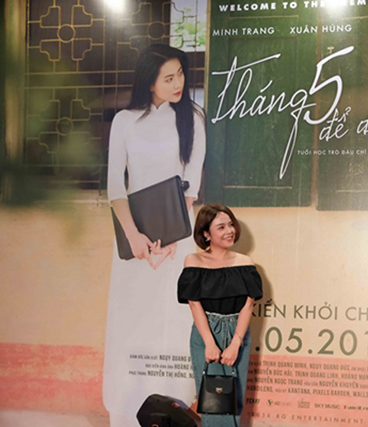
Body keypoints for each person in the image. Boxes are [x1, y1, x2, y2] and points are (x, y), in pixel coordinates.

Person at [103, 44, 206, 427]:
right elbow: (116, 186)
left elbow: (191, 184)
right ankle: (126, 410)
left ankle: (175, 411)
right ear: (150, 82)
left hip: (178, 236)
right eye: (168, 78)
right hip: (134, 241)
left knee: (175, 317)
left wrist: (174, 236)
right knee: (132, 317)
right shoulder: (125, 121)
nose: (178, 83)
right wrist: (134, 238)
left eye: (180, 74)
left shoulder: (193, 118)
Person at [178, 204, 263, 427]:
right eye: (221, 227)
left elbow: (248, 304)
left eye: (231, 225)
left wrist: (236, 343)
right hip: (206, 330)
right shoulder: (193, 261)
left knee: (234, 400)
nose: (230, 231)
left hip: (238, 331)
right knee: (213, 401)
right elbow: (194, 304)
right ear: (206, 233)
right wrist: (209, 343)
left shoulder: (245, 263)